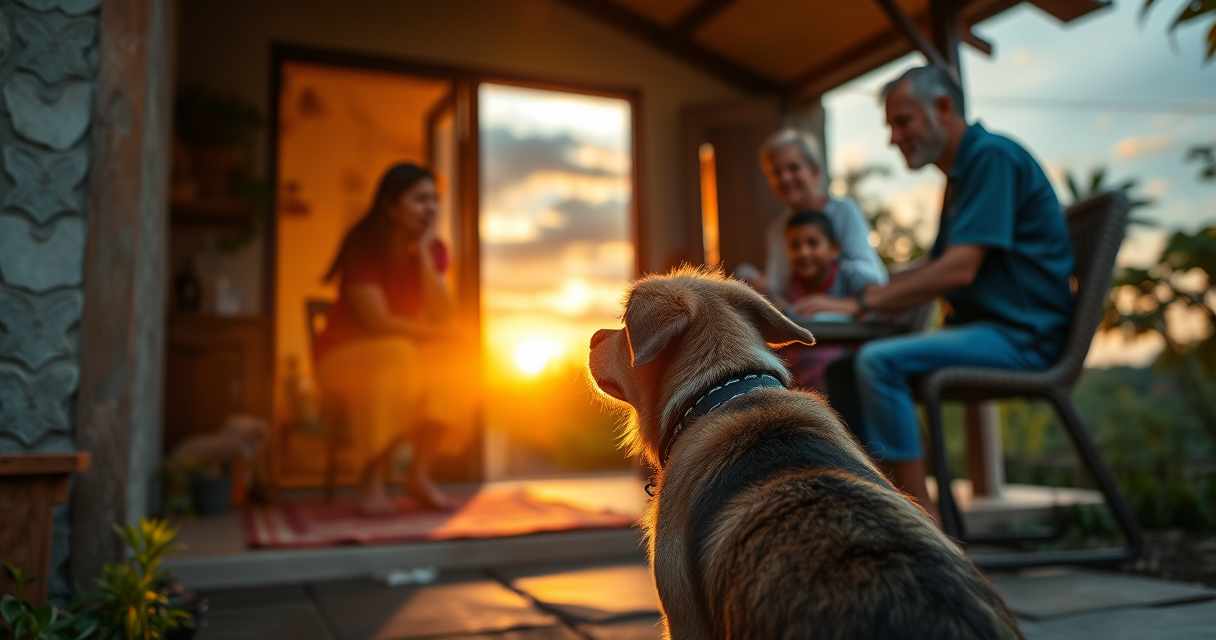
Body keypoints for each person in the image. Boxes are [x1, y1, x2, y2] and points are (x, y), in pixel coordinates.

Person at [796, 66, 1075, 522]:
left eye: (902, 122)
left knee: (879, 363)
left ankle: (921, 521)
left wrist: (860, 304)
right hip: (989, 331)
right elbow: (933, 265)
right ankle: (870, 505)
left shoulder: (991, 158)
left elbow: (959, 268)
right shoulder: (963, 175)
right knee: (846, 371)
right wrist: (875, 291)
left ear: (943, 108)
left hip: (1022, 336)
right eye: (890, 126)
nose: (893, 138)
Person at [313, 163, 470, 515]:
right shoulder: (362, 245)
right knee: (399, 353)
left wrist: (426, 253)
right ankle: (371, 481)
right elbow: (379, 321)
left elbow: (441, 314)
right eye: (420, 199)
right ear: (391, 206)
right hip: (342, 356)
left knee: (451, 359)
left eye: (434, 199)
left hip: (400, 355)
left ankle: (420, 475)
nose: (431, 208)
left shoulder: (434, 250)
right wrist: (445, 334)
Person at [740, 128, 887, 306]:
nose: (785, 178)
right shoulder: (777, 230)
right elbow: (777, 289)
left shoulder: (843, 210)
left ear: (814, 172)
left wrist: (835, 303)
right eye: (776, 172)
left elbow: (874, 277)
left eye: (793, 168)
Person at [779, 209, 870, 392]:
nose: (804, 252)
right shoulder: (790, 284)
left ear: (834, 249)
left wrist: (836, 307)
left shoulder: (851, 278)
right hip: (800, 379)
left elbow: (873, 308)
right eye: (795, 246)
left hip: (842, 376)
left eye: (813, 243)